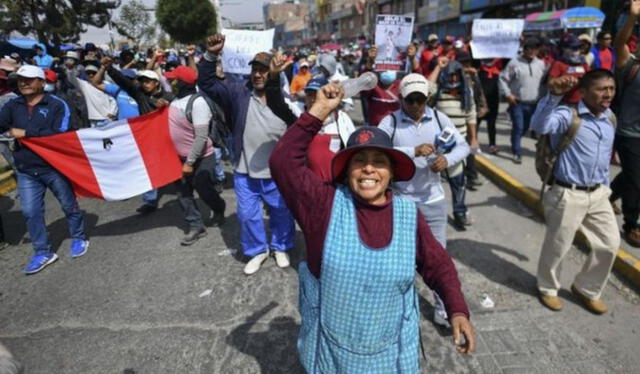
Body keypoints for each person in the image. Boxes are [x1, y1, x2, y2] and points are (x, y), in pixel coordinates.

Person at [269, 82, 475, 372]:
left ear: (391, 172)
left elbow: (437, 263)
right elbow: (282, 163)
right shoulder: (323, 204)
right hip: (329, 351)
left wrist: (456, 308)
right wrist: (319, 110)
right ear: (346, 170)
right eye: (359, 161)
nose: (368, 169)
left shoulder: (407, 214)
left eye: (379, 162)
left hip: (389, 351)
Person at [197, 34, 295, 275]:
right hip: (244, 170)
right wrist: (211, 55)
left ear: (272, 72)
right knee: (247, 215)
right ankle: (258, 251)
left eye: (264, 70)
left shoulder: (284, 99)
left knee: (281, 211)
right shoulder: (237, 92)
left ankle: (280, 247)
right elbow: (208, 84)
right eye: (255, 70)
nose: (259, 74)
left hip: (276, 172)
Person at [378, 73, 469, 328]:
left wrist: (447, 160)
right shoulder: (390, 122)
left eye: (420, 100)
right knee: (400, 259)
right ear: (401, 100)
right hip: (401, 202)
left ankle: (443, 310)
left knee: (438, 258)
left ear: (427, 98)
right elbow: (379, 151)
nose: (416, 106)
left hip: (433, 201)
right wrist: (412, 152)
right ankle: (399, 309)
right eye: (410, 100)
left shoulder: (439, 118)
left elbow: (463, 147)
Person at [531, 70, 619, 314]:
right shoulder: (568, 115)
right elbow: (539, 125)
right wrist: (552, 96)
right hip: (567, 194)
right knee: (558, 246)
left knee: (610, 244)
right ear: (583, 92)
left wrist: (606, 190)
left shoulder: (610, 118)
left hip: (598, 194)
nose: (608, 94)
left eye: (611, 88)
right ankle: (547, 287)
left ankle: (586, 289)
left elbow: (603, 158)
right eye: (602, 89)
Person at [0, 65, 88, 274]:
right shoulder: (13, 105)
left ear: (41, 82)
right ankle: (43, 251)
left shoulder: (57, 104)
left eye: (29, 79)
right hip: (26, 169)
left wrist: (26, 132)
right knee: (31, 212)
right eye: (20, 79)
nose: (24, 83)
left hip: (54, 167)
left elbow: (61, 133)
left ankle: (78, 236)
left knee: (68, 205)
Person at [101, 56, 175, 214]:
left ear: (156, 83)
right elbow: (125, 83)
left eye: (148, 81)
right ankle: (150, 201)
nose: (145, 84)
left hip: (169, 138)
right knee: (149, 166)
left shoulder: (169, 96)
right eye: (142, 81)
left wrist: (166, 104)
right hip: (148, 138)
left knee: (175, 165)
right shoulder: (140, 95)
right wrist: (110, 69)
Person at [164, 65, 226, 245]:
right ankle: (196, 225)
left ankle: (219, 207)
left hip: (202, 158)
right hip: (178, 158)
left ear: (183, 83)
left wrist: (190, 162)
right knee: (183, 194)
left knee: (204, 189)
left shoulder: (198, 103)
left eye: (174, 79)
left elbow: (200, 137)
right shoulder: (174, 101)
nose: (170, 82)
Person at [432, 59, 476, 230]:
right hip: (438, 147)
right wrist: (438, 67)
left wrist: (473, 139)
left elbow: (471, 115)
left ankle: (459, 213)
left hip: (458, 147)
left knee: (458, 183)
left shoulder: (466, 93)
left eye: (455, 76)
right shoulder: (437, 92)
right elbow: (428, 86)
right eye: (449, 76)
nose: (452, 79)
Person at [611, 0, 640, 247]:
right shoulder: (629, 65)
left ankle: (608, 196)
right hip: (628, 133)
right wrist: (632, 18)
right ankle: (632, 224)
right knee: (637, 180)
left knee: (633, 175)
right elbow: (619, 43)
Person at [499, 37, 547, 163]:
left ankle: (515, 140)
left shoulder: (541, 64)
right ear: (524, 49)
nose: (532, 51)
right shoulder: (514, 62)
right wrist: (508, 94)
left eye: (535, 48)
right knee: (518, 127)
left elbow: (545, 83)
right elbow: (502, 78)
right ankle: (517, 152)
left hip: (534, 104)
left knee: (525, 128)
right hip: (517, 102)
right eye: (529, 48)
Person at [547, 34, 591, 105]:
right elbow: (550, 83)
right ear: (563, 49)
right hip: (564, 102)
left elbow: (591, 78)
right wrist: (561, 82)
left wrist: (582, 81)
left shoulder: (583, 63)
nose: (576, 51)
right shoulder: (558, 64)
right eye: (573, 48)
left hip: (582, 102)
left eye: (578, 47)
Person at [477, 58, 503, 154]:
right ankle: (473, 142)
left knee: (492, 124)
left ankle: (492, 144)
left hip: (493, 101)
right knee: (476, 122)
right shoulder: (479, 68)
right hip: (480, 101)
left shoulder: (498, 68)